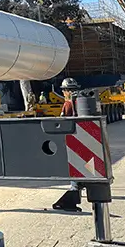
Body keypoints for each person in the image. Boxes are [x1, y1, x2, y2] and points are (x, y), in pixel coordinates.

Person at [53, 78, 83, 212]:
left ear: (67, 91)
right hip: (82, 139)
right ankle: (78, 188)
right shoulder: (81, 103)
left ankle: (74, 189)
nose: (64, 93)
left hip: (72, 140)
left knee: (74, 167)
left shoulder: (68, 104)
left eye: (64, 90)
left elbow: (63, 121)